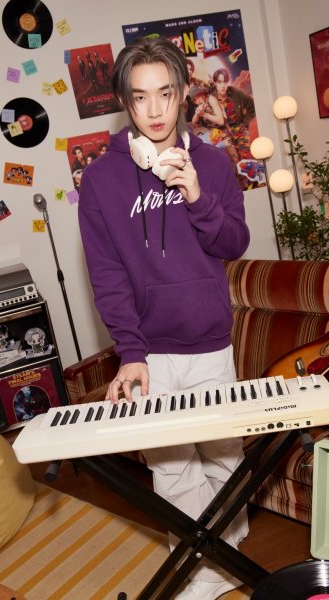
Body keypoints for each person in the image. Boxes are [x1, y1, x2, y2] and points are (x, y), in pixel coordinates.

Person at [78, 36, 250, 600]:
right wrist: (130, 351)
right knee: (172, 473)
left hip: (210, 344)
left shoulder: (214, 163)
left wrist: (197, 195)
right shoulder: (100, 181)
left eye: (165, 94)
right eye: (140, 97)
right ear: (125, 102)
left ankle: (226, 562)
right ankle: (203, 577)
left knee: (225, 462)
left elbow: (235, 243)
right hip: (151, 355)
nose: (154, 110)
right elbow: (107, 274)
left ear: (182, 95)